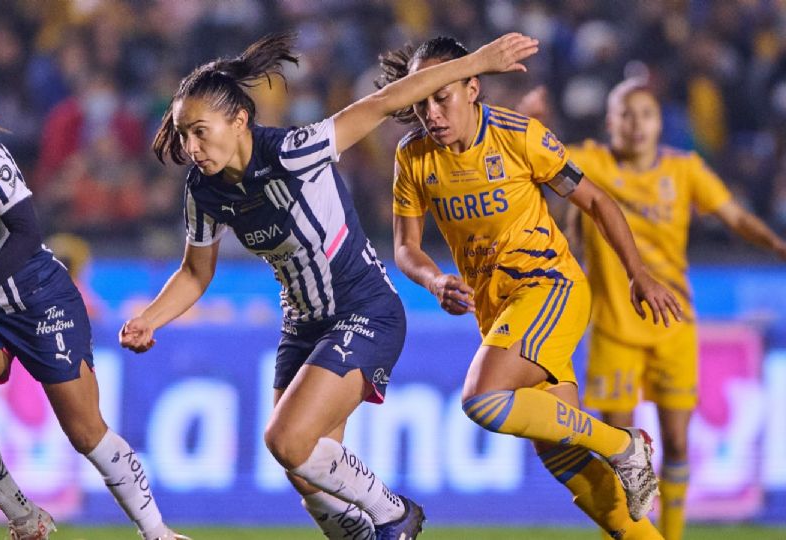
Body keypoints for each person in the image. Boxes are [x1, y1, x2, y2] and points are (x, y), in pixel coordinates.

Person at [119, 31, 540, 540]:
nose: (190, 147)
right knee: (306, 473)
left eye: (200, 132)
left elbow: (384, 102)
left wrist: (476, 61)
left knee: (286, 440)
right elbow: (194, 273)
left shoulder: (295, 151)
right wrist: (149, 319)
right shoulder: (202, 190)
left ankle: (393, 514)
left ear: (239, 120)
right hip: (302, 325)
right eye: (184, 135)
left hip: (363, 310)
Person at [380, 37, 683, 539]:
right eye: (421, 100)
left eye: (442, 96)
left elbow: (598, 203)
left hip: (551, 288)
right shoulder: (412, 157)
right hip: (499, 313)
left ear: (473, 88)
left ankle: (623, 444)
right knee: (567, 458)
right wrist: (435, 280)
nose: (430, 112)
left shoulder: (520, 136)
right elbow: (406, 248)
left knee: (483, 400)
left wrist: (639, 274)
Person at [0, 52, 187, 540]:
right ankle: (26, 517)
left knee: (86, 431)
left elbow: (27, 232)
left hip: (38, 298)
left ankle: (158, 533)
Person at [519, 78, 786, 540]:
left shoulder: (684, 169)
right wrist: (532, 118)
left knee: (677, 443)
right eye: (626, 113)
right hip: (614, 328)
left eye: (646, 114)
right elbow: (539, 157)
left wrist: (777, 245)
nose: (636, 123)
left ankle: (673, 535)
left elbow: (736, 217)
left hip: (673, 327)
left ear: (660, 123)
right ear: (610, 122)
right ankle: (622, 535)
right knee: (619, 449)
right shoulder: (594, 161)